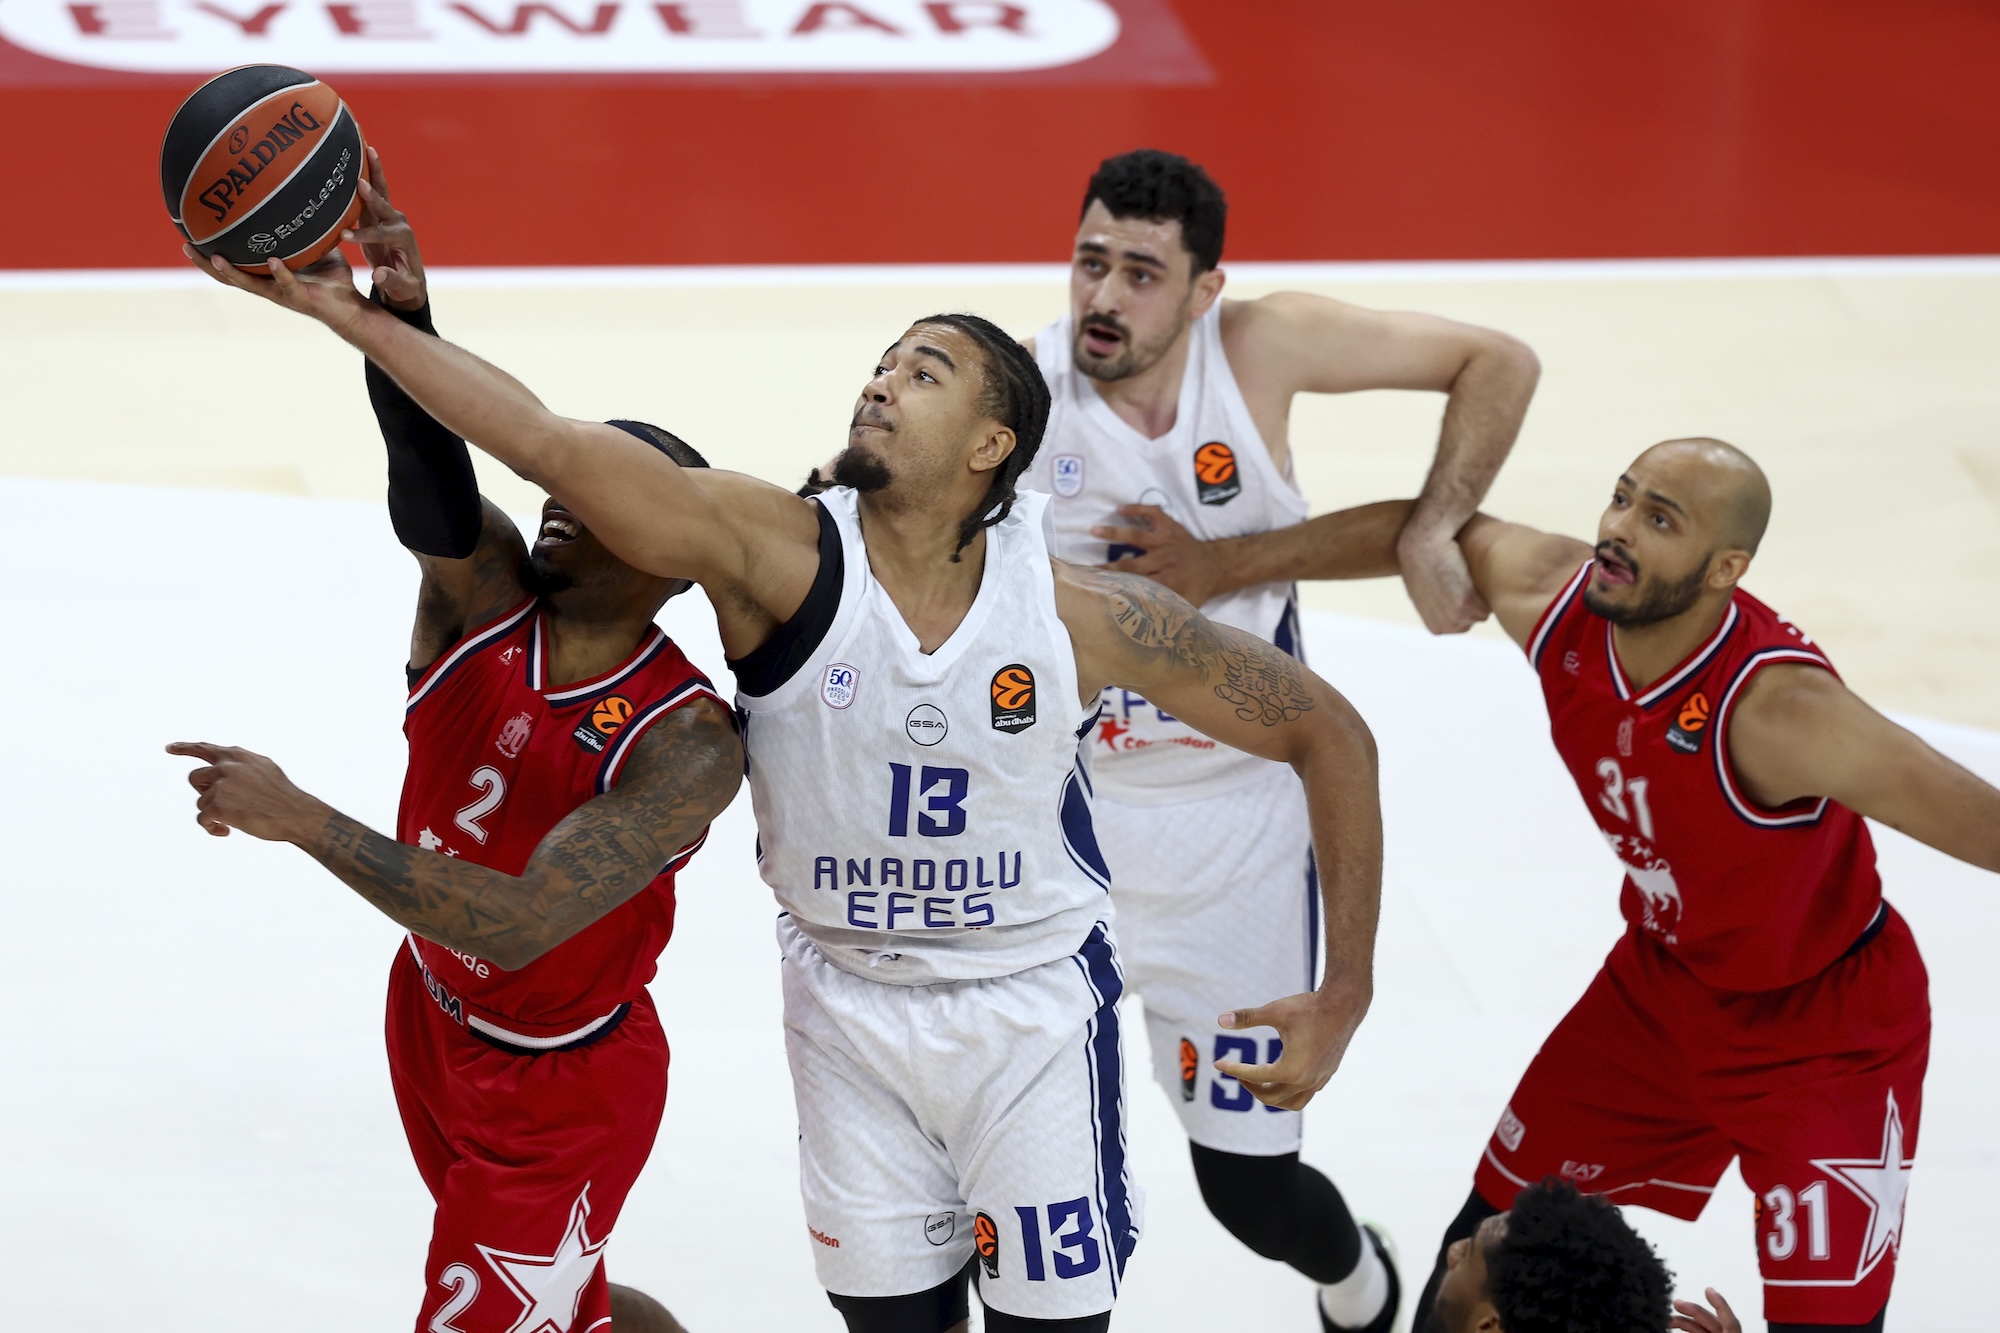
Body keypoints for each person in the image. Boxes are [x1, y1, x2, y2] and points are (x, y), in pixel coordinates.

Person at [183, 166, 1388, 1333]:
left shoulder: (1076, 614)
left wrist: (1344, 989)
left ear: (989, 444)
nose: (882, 381)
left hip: (1021, 1008)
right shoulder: (776, 554)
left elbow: (1324, 730)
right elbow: (546, 443)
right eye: (881, 364)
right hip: (846, 1005)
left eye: (923, 372)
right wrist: (367, 319)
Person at [1142, 438, 2000, 1331]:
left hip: (1823, 1031)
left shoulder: (1781, 712)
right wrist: (1221, 564)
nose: (1618, 529)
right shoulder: (1561, 602)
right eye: (1622, 498)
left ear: (1725, 570)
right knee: (1477, 1258)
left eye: (1660, 519)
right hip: (1661, 993)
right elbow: (1424, 531)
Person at [170, 149, 735, 1333]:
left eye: (611, 483)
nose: (567, 489)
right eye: (571, 466)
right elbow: (428, 482)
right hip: (429, 1012)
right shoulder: (484, 600)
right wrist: (391, 318)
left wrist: (302, 819)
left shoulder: (687, 741)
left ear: (672, 550)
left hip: (562, 1077)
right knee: (565, 1303)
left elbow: (522, 921)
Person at [1014, 147, 1540, 1333]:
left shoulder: (1260, 347)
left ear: (1204, 290)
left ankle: (1357, 1281)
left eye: (1140, 273)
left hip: (1237, 830)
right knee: (1027, 1161)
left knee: (1248, 1194)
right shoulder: (1020, 387)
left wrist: (1427, 527)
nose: (1102, 296)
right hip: (1068, 825)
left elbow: (1498, 359)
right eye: (1089, 262)